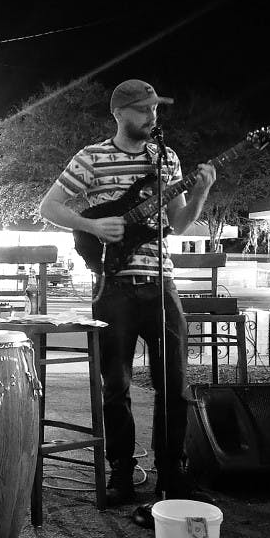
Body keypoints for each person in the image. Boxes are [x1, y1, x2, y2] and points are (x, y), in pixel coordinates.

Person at [39, 79, 217, 513]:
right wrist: (95, 227)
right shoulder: (92, 157)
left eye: (155, 109)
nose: (151, 117)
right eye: (142, 110)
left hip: (161, 283)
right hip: (114, 288)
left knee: (174, 384)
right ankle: (120, 473)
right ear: (119, 114)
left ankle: (171, 473)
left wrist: (200, 192)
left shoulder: (167, 158)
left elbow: (177, 225)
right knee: (115, 384)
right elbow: (50, 206)